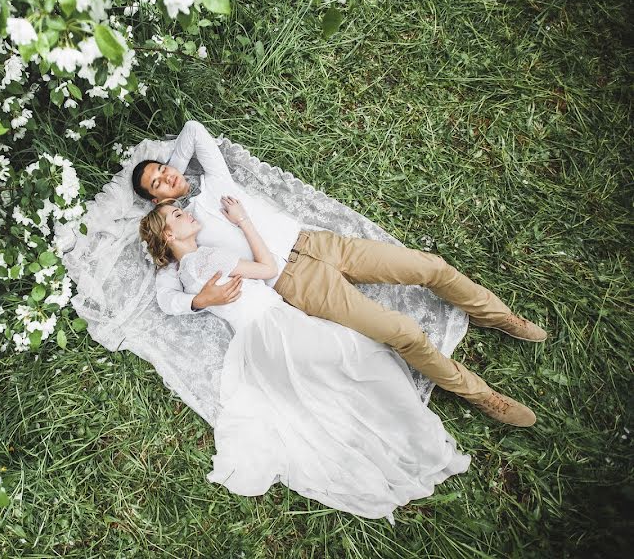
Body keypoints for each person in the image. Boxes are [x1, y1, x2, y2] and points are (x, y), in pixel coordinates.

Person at [132, 120, 547, 427]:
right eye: (158, 185)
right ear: (156, 204)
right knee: (402, 332)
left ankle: (498, 316)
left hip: (318, 242)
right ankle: (481, 394)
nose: (166, 178)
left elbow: (193, 130)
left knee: (430, 266)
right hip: (295, 283)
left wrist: (170, 171)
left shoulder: (216, 184)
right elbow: (168, 295)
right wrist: (199, 300)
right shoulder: (185, 240)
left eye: (163, 171)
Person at [138, 196, 471, 522]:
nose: (188, 214)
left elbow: (168, 301)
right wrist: (243, 220)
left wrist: (197, 299)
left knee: (325, 393)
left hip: (255, 340)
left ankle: (365, 448)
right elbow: (267, 268)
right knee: (359, 361)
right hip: (274, 325)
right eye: (179, 215)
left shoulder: (182, 274)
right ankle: (403, 441)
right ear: (169, 235)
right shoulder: (206, 258)